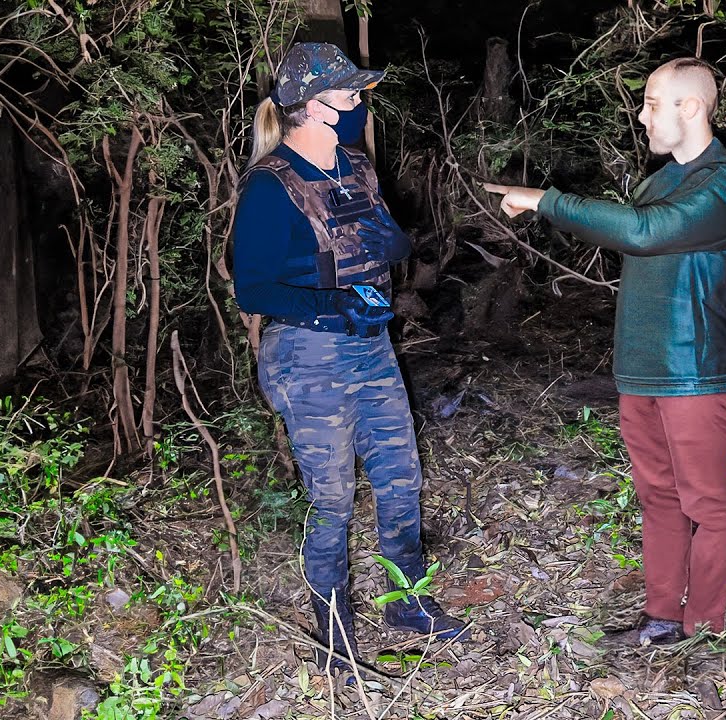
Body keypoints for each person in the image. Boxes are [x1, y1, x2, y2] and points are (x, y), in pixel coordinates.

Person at [484, 57, 726, 644]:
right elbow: (634, 228)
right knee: (657, 497)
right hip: (641, 368)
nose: (642, 116)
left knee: (706, 504)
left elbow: (642, 232)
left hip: (693, 370)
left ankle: (704, 626)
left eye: (652, 104)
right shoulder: (658, 183)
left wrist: (546, 200)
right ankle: (661, 617)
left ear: (691, 107)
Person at [232, 42, 469, 672]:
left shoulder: (354, 165)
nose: (359, 101)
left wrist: (392, 243)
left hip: (371, 348)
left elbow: (387, 245)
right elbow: (252, 289)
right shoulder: (271, 185)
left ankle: (407, 604)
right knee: (332, 498)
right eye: (348, 92)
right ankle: (333, 632)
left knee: (401, 479)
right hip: (308, 356)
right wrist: (329, 308)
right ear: (311, 106)